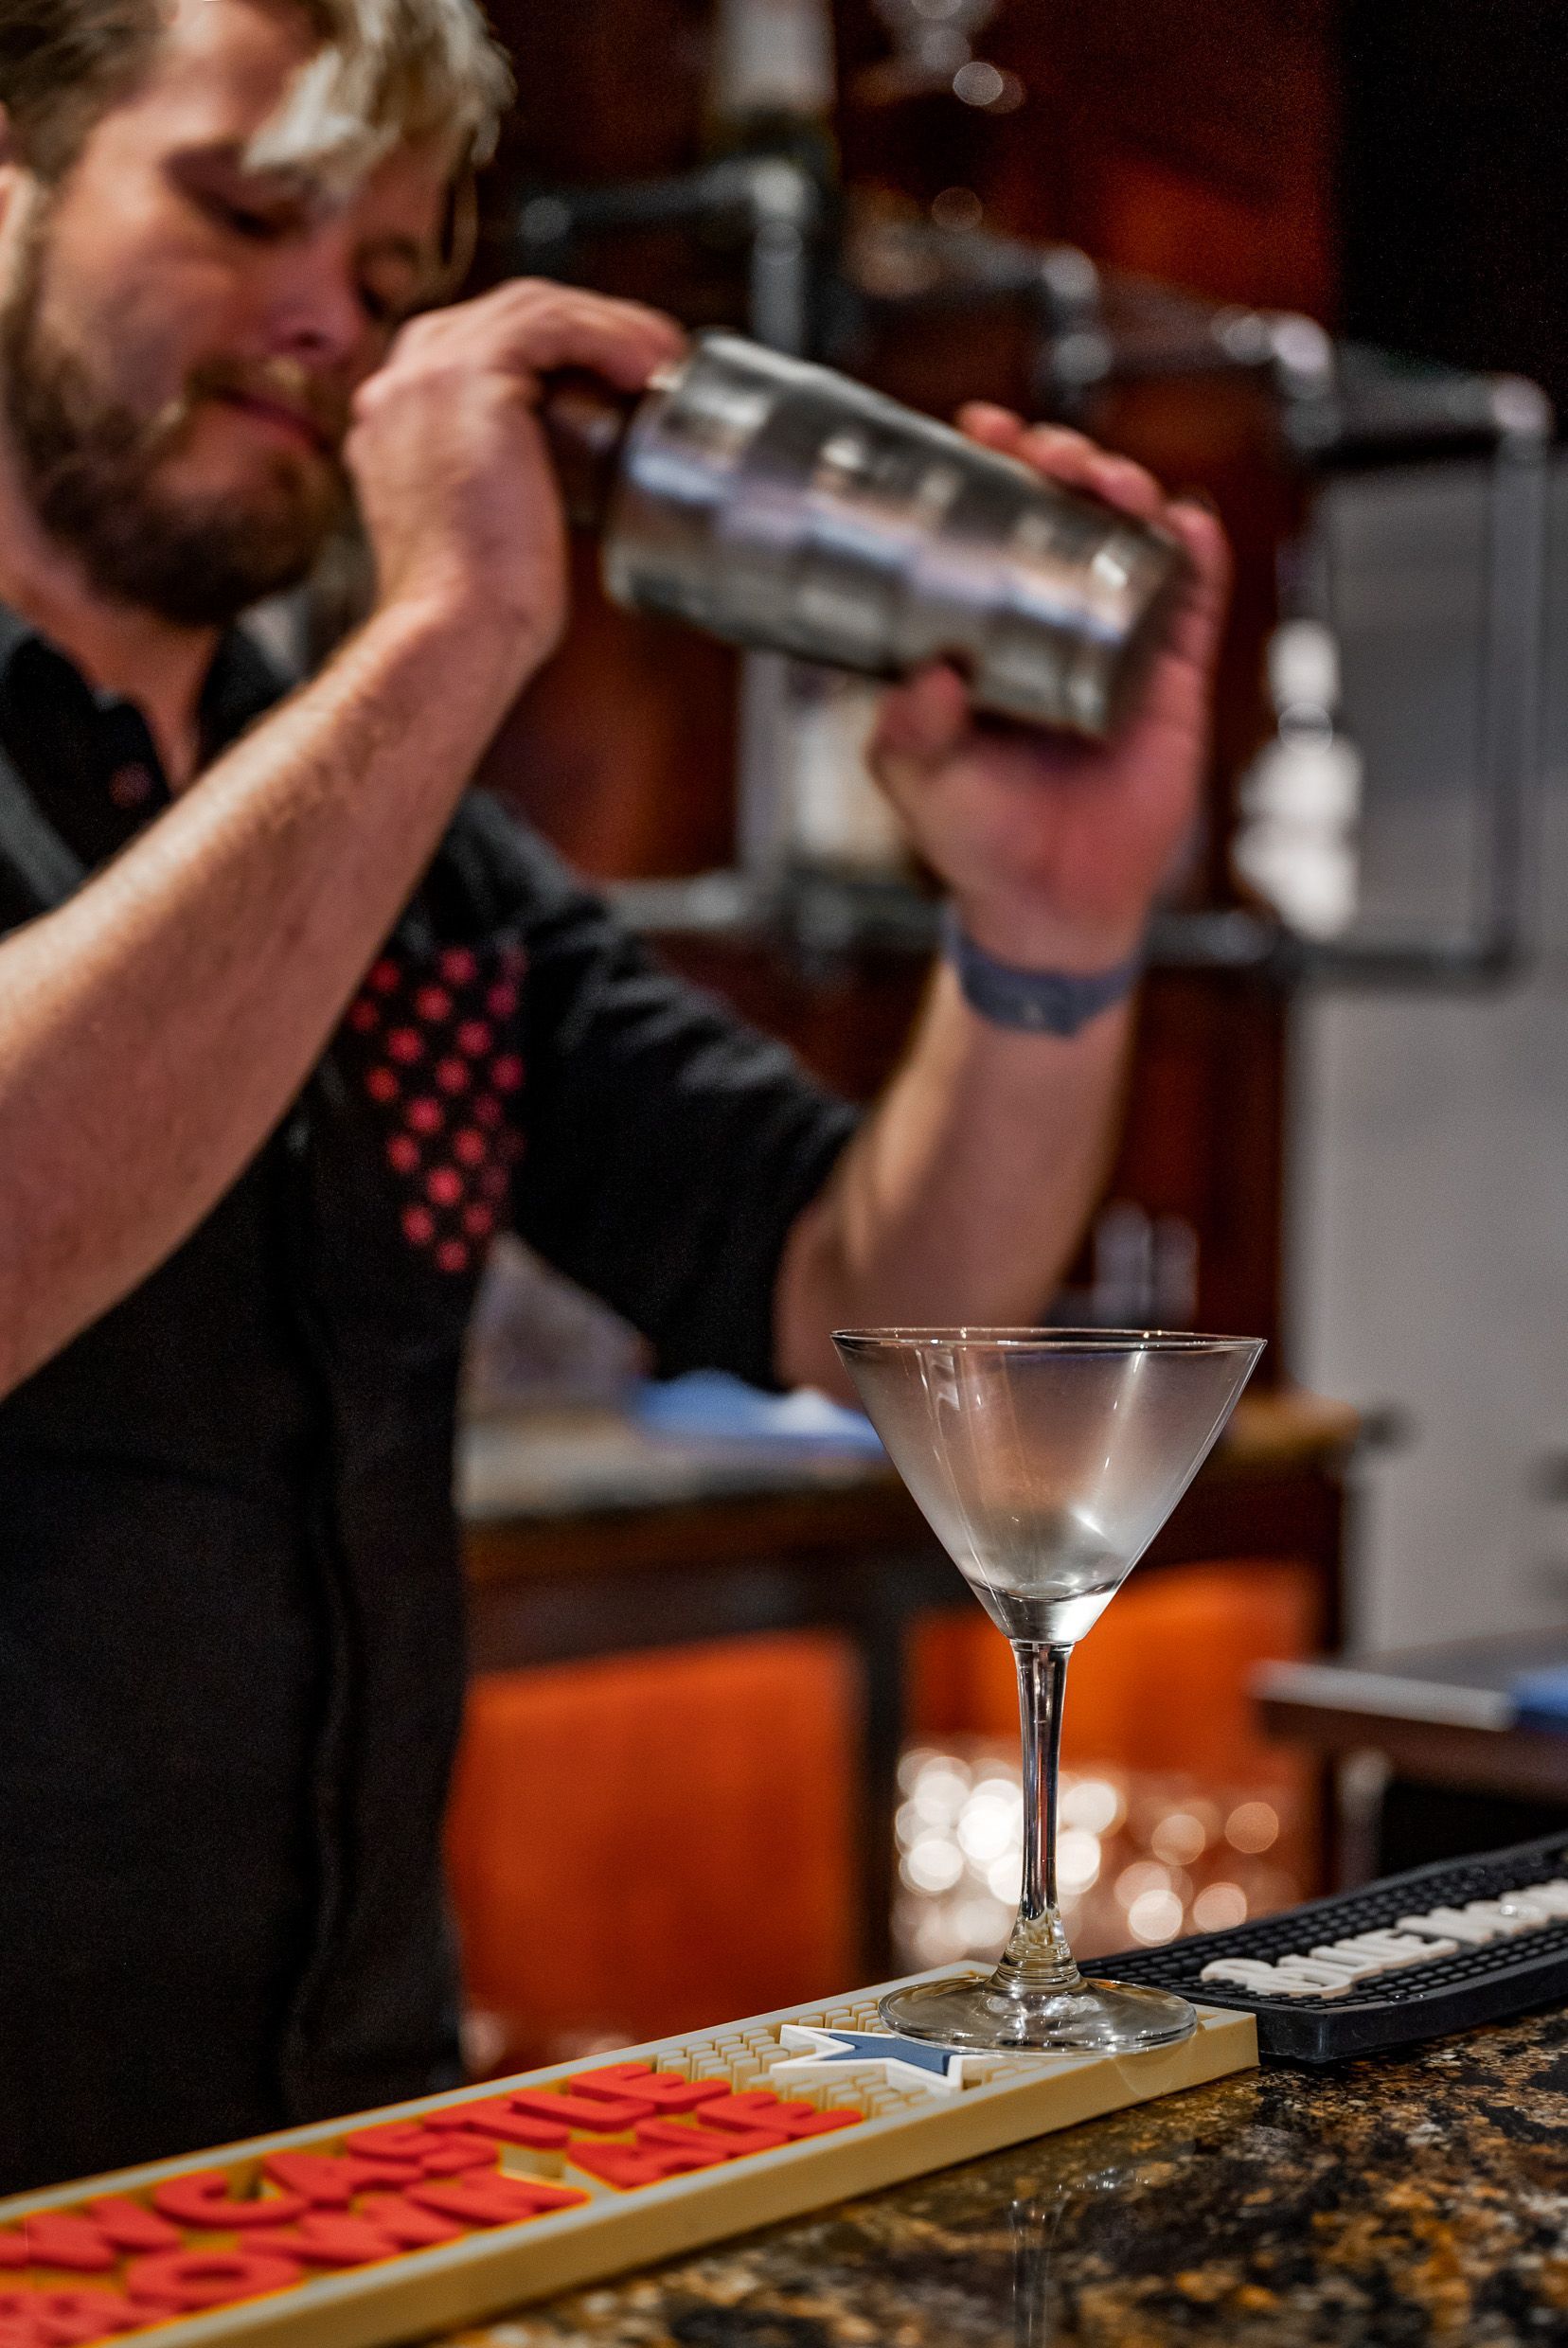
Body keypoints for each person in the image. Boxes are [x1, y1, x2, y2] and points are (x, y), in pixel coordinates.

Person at [0, 0, 1228, 2193]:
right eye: (248, 212)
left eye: (393, 275)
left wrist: (1049, 928)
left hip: (346, 2165)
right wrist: (453, 630)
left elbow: (871, 1298)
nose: (330, 324)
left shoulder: (431, 872)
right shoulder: (400, 740)